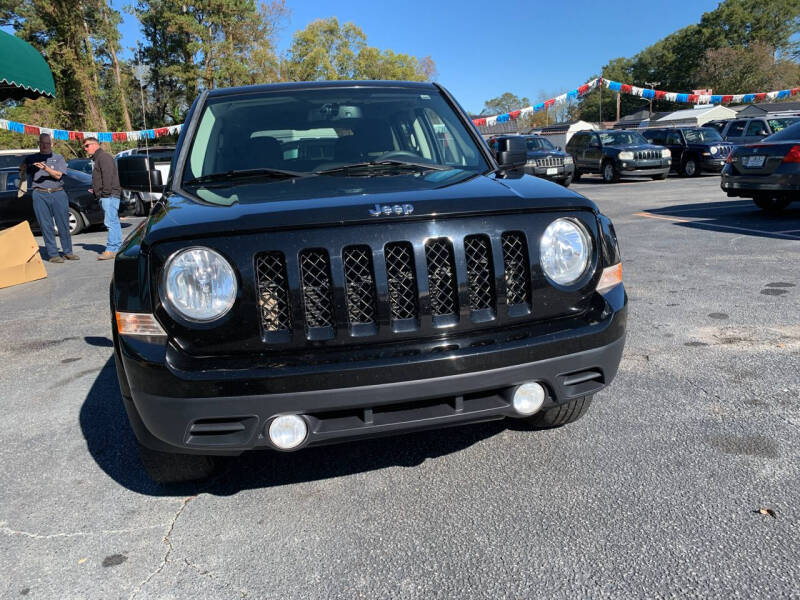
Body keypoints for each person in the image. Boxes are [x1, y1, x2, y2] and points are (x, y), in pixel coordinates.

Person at [19, 133, 79, 263]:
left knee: (63, 223)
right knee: (46, 225)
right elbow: (22, 167)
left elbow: (58, 176)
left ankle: (68, 252)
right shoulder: (32, 158)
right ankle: (53, 254)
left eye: (47, 143)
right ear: (39, 144)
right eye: (42, 143)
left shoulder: (58, 158)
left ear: (51, 144)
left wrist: (46, 168)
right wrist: (23, 167)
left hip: (58, 193)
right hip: (39, 194)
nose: (45, 146)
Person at [83, 137, 121, 260]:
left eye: (87, 146)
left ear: (94, 145)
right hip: (107, 195)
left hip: (109, 196)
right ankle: (116, 248)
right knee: (113, 222)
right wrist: (96, 190)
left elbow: (108, 177)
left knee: (110, 222)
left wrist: (104, 193)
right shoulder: (100, 158)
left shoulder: (103, 157)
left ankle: (111, 249)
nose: (85, 148)